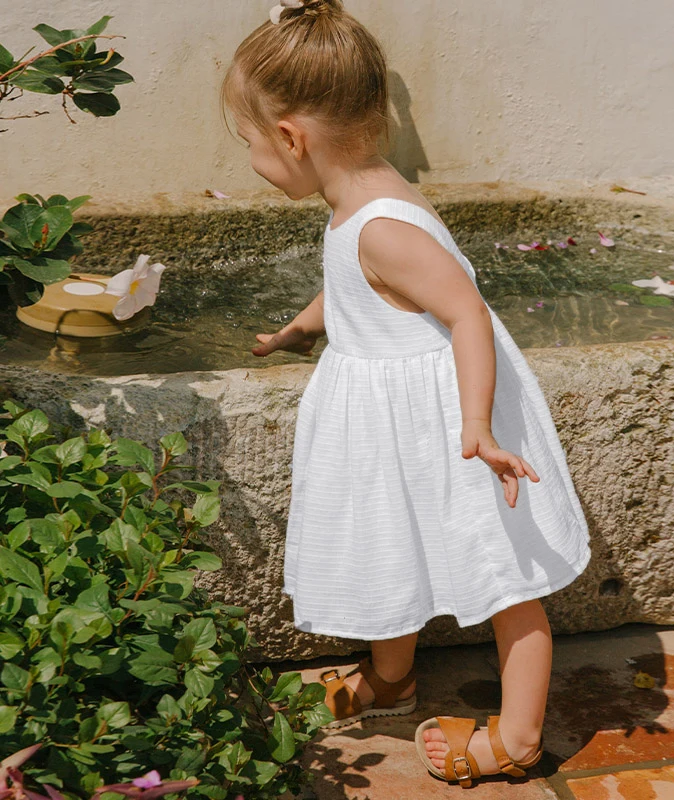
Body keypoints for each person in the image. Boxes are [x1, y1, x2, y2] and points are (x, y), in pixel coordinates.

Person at [221, 0, 592, 788]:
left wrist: (481, 425)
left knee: (506, 575)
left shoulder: (382, 224)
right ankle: (393, 682)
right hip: (399, 420)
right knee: (388, 544)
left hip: (452, 420)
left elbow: (465, 312)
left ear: (292, 137)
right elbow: (356, 282)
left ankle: (520, 737)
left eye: (249, 144)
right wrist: (300, 328)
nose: (251, 159)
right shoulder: (361, 198)